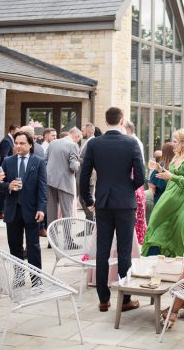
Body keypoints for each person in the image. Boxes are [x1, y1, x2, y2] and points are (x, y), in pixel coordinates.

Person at [79, 107, 145, 313]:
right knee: (124, 251)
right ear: (122, 120)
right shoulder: (131, 142)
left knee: (102, 251)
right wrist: (127, 189)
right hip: (125, 203)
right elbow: (141, 176)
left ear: (106, 121)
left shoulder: (94, 143)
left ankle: (103, 300)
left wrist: (89, 199)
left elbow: (84, 175)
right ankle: (125, 300)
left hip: (103, 203)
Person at [141, 129, 184, 259]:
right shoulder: (178, 156)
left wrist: (171, 176)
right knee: (157, 223)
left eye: (175, 141)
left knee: (180, 233)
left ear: (183, 142)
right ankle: (164, 260)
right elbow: (174, 175)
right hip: (171, 196)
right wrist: (159, 168)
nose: (172, 144)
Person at [0, 130, 47, 271]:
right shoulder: (7, 161)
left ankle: (36, 280)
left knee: (33, 246)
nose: (18, 146)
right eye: (16, 143)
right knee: (14, 246)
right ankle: (18, 279)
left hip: (32, 210)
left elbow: (42, 188)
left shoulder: (38, 162)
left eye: (22, 143)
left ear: (30, 145)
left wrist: (41, 209)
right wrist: (8, 186)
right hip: (12, 210)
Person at [45, 127, 82, 230]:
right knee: (67, 212)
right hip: (65, 183)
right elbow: (73, 167)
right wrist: (78, 163)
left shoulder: (53, 143)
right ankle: (68, 240)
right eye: (78, 139)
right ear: (76, 136)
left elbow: (45, 159)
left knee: (51, 211)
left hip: (50, 180)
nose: (77, 141)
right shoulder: (73, 145)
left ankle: (51, 238)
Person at [0, 124, 17, 220]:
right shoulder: (6, 141)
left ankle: (0, 211)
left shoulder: (11, 140)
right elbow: (4, 156)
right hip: (5, 168)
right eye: (16, 131)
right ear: (12, 131)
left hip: (8, 167)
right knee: (3, 190)